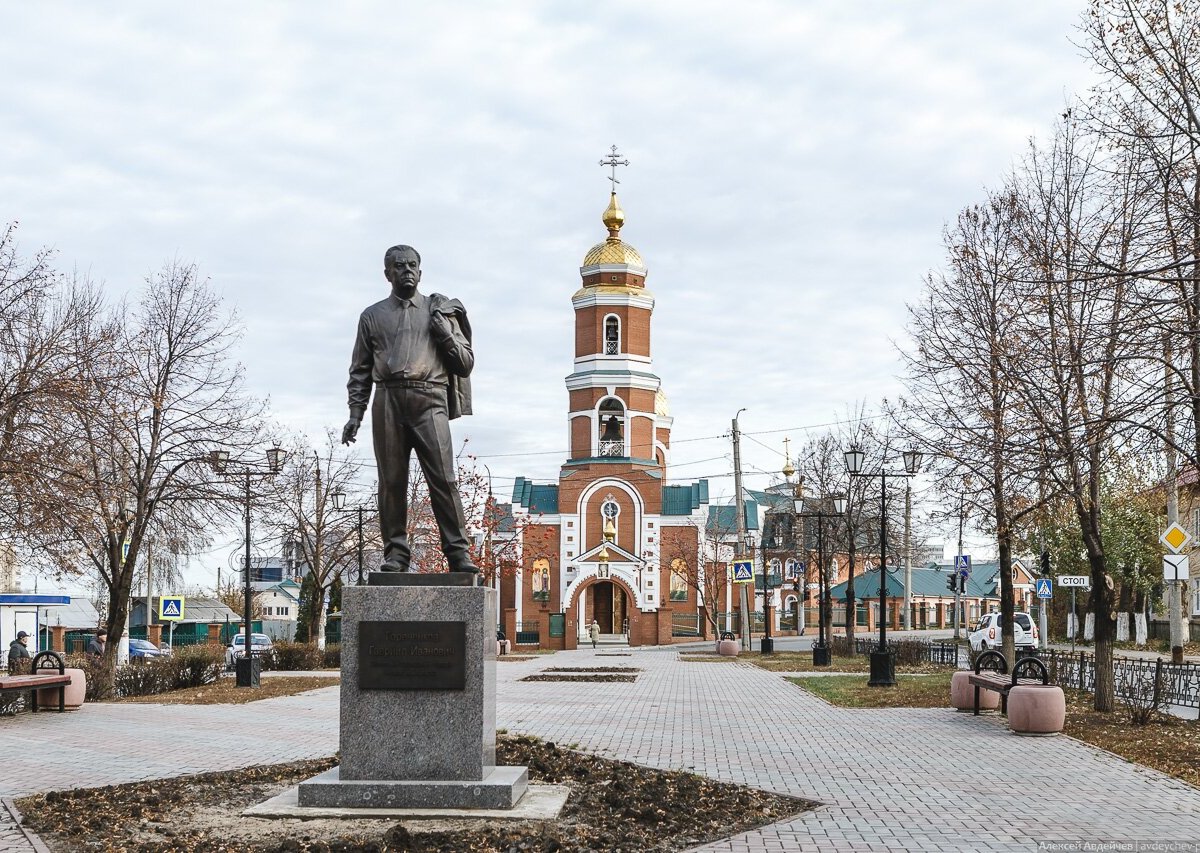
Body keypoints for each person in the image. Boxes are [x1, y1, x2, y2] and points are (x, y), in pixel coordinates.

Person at [343, 245, 479, 574]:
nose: (407, 270)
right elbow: (360, 370)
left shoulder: (440, 311)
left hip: (429, 399)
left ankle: (458, 552)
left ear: (420, 271)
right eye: (399, 266)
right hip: (387, 400)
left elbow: (465, 363)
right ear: (387, 273)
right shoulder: (372, 316)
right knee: (391, 482)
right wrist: (355, 413)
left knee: (443, 479)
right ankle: (397, 554)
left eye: (412, 265)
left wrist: (444, 332)